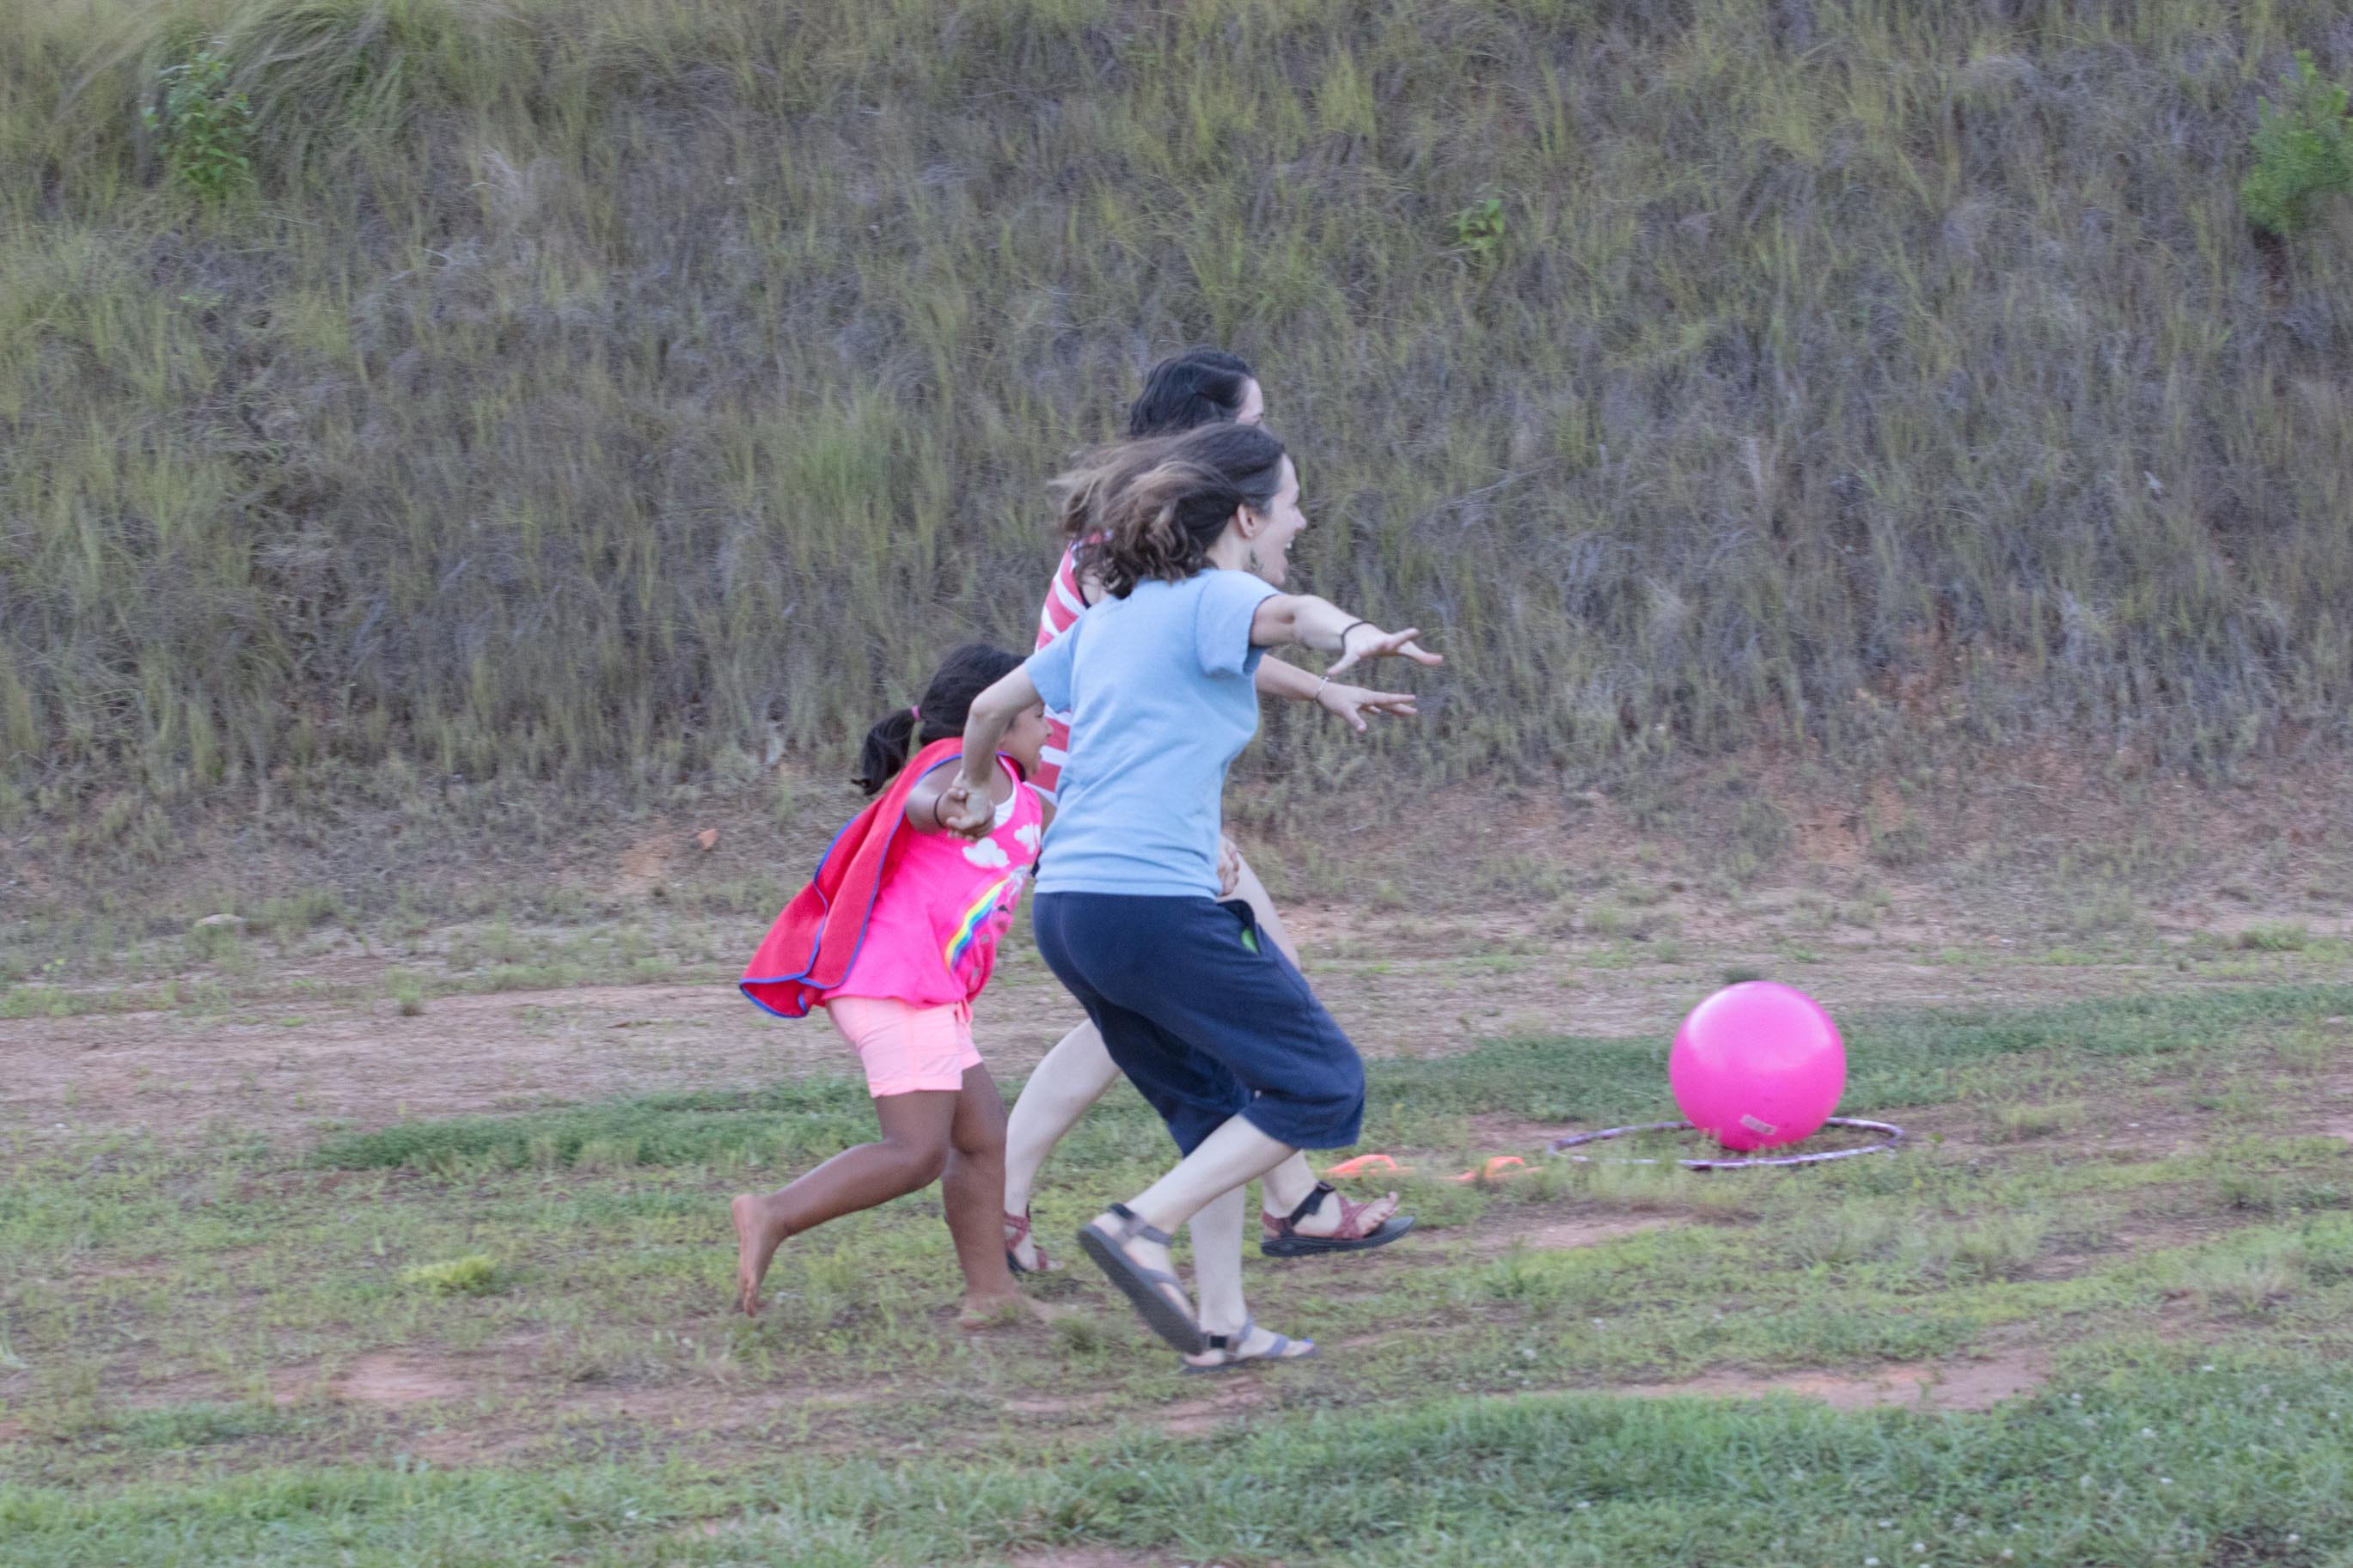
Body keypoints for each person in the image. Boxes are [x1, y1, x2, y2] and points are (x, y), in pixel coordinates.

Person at [951, 424, 1441, 1367]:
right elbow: (1295, 614)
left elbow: (985, 708)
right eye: (1290, 503)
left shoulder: (1113, 617)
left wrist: (975, 786)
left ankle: (1223, 1323)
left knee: (1217, 1111)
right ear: (1245, 518)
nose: (1299, 521)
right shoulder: (1220, 594)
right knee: (1323, 1080)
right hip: (1149, 906)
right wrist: (1355, 634)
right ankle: (1141, 1226)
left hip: (1069, 908)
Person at [732, 645, 1051, 1326]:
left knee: (983, 1136)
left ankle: (991, 1295)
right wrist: (946, 807)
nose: (1048, 726)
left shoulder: (1020, 794)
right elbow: (919, 801)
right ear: (994, 723)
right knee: (916, 1151)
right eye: (1036, 714)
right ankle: (773, 1213)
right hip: (896, 981)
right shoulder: (962, 766)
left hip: (920, 986)